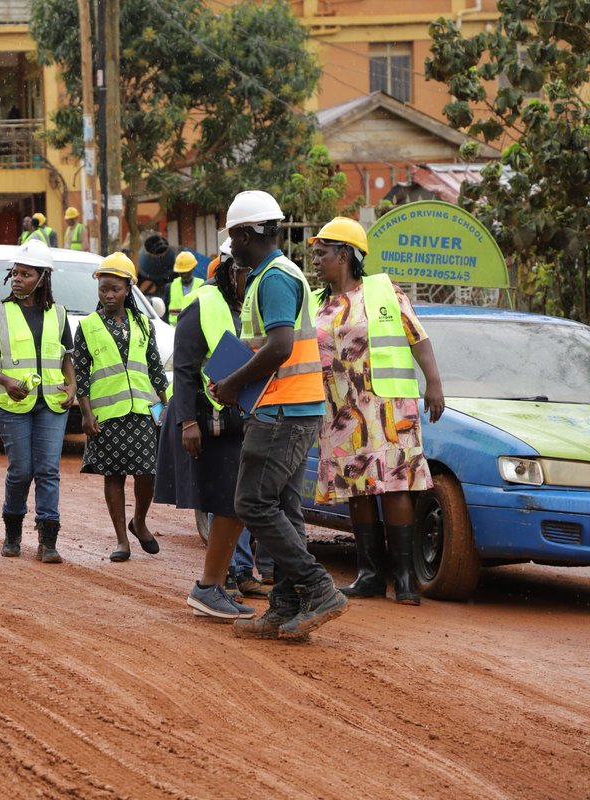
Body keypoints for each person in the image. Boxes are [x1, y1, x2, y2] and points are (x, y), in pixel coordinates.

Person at [213, 190, 345, 641]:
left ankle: (317, 587)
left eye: (235, 238)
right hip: (288, 404)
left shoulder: (273, 278)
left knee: (252, 502)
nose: (234, 250)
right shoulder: (276, 274)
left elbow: (280, 346)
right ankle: (285, 605)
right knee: (284, 509)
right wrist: (232, 377)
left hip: (283, 408)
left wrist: (232, 385)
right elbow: (267, 346)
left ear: (248, 233)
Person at [310, 217, 445, 605]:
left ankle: (403, 580)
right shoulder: (322, 304)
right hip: (341, 409)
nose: (316, 260)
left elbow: (417, 337)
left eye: (322, 253)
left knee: (395, 484)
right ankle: (370, 574)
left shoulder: (384, 292)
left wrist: (433, 383)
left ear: (345, 255)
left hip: (387, 405)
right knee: (357, 487)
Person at [154, 240, 258, 619]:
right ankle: (209, 587)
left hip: (233, 421)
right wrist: (188, 423)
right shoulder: (203, 303)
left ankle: (216, 585)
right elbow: (183, 368)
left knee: (234, 505)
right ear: (230, 269)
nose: (252, 278)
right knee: (229, 504)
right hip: (204, 420)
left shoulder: (243, 305)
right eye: (247, 271)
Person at [0, 240, 75, 562]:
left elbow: (67, 358)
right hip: (12, 405)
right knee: (21, 471)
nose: (18, 278)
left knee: (48, 470)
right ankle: (12, 533)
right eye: (15, 273)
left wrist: (72, 387)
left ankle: (48, 542)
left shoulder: (59, 315)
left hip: (52, 403)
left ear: (42, 278)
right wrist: (6, 381)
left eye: (26, 274)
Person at [74, 252, 167, 562]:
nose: (108, 295)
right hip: (106, 415)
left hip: (142, 411)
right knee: (112, 476)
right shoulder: (88, 326)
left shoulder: (142, 323)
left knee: (147, 473)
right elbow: (82, 372)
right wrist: (86, 413)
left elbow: (154, 368)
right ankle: (121, 540)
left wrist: (165, 407)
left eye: (114, 288)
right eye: (103, 289)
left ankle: (139, 521)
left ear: (128, 288)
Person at [166, 251, 204, 326]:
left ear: (193, 269)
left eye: (186, 271)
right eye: (181, 272)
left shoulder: (202, 285)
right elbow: (164, 312)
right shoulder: (170, 287)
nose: (184, 275)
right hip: (174, 331)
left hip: (195, 329)